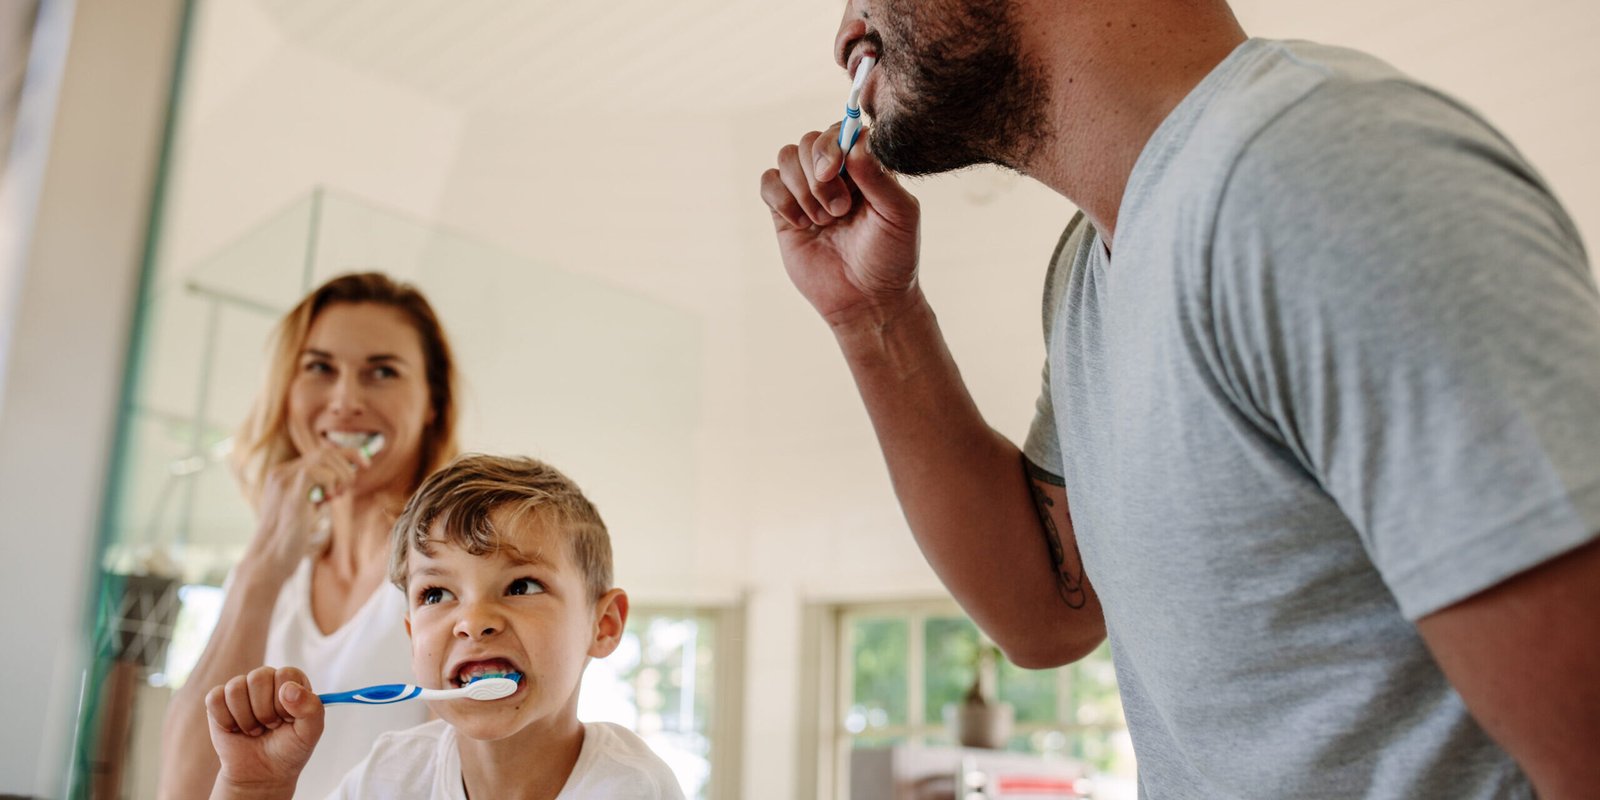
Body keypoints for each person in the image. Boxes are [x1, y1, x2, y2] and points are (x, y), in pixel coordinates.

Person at [759, 0, 1600, 797]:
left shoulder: (1321, 175)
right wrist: (875, 319)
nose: (849, 28)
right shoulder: (1093, 266)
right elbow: (1049, 613)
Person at [200, 454, 685, 800]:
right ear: (413, 637)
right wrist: (255, 788)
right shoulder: (392, 775)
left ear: (603, 625)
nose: (473, 622)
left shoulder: (633, 788)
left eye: (521, 586)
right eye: (436, 594)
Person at [161, 272, 461, 799]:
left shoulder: (450, 571)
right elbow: (184, 788)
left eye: (382, 372)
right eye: (320, 368)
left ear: (432, 402)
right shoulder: (273, 577)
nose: (345, 400)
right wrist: (262, 567)